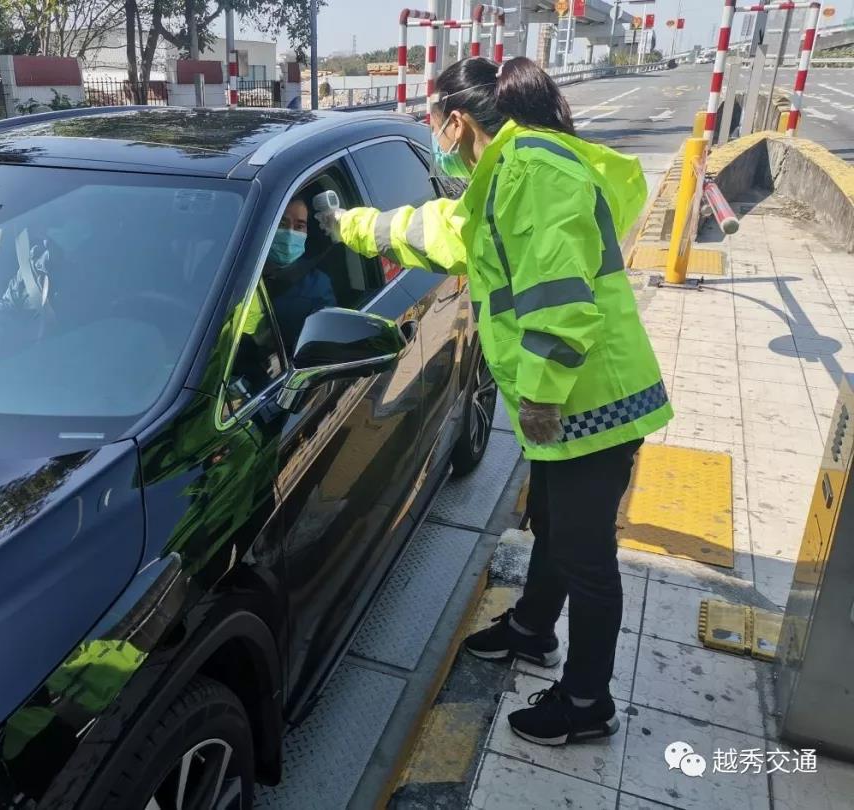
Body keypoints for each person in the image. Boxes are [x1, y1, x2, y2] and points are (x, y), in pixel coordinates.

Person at [317, 56, 672, 746]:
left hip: (591, 403)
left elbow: (560, 303)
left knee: (587, 558)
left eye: (432, 121)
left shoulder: (534, 173)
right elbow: (433, 231)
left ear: (456, 122)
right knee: (553, 523)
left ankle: (587, 702)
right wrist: (344, 225)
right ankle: (533, 629)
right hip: (570, 401)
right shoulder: (504, 175)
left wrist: (538, 400)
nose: (432, 136)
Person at [264, 197, 336, 351]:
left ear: (307, 231)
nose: (290, 233)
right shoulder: (239, 270)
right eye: (282, 224)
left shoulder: (318, 286)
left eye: (299, 226)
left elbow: (322, 343)